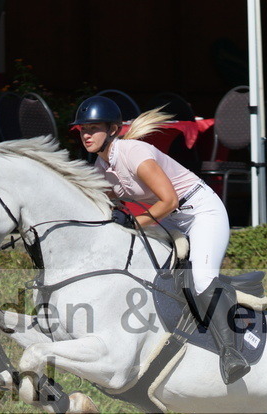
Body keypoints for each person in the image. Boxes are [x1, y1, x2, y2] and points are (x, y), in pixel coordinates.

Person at [73, 95, 248, 384]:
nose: (86, 135)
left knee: (202, 279)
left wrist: (131, 223)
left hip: (200, 212)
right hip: (169, 219)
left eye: (92, 128)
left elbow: (169, 200)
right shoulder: (101, 168)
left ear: (113, 130)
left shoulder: (134, 153)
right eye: (82, 130)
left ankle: (232, 352)